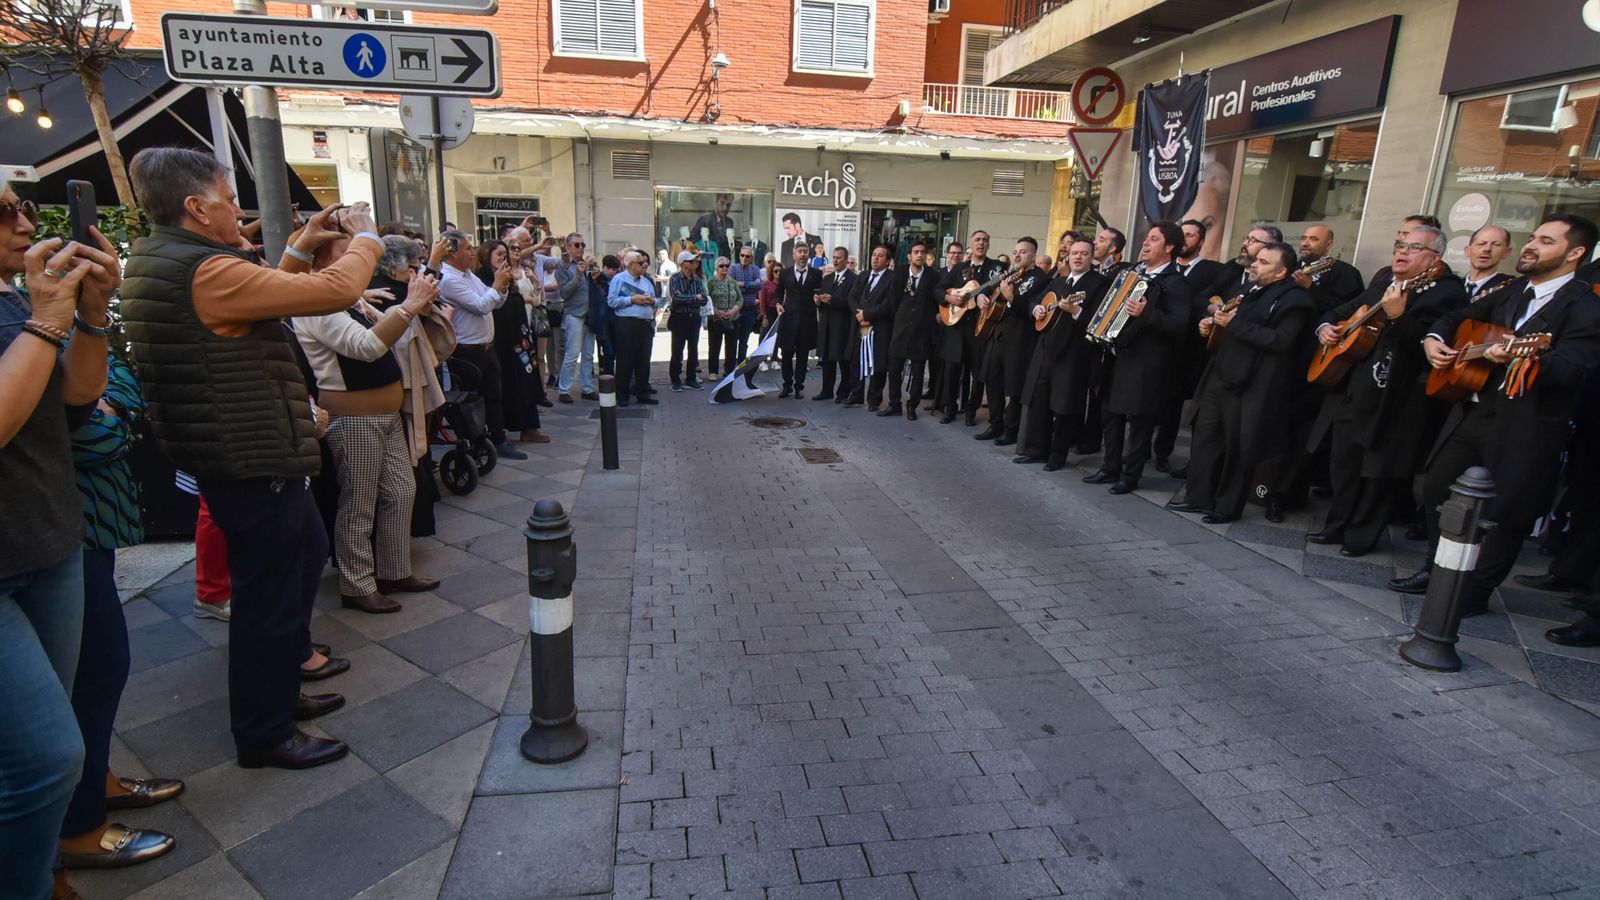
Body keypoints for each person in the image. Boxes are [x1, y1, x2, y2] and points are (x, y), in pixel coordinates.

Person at [120, 147, 372, 771]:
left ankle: (280, 689)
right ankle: (265, 731)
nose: (238, 212)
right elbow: (336, 289)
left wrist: (301, 245)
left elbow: (268, 297)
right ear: (195, 207)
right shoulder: (205, 270)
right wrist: (366, 237)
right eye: (229, 200)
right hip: (248, 451)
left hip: (242, 446)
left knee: (304, 556)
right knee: (268, 596)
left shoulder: (170, 259)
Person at [0, 178, 120, 898]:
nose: (23, 223)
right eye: (3, 213)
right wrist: (49, 321)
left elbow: (76, 397)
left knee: (47, 746)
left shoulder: (17, 299)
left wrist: (92, 316)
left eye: (21, 207)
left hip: (48, 541)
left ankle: (46, 871)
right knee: (45, 757)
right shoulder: (30, 308)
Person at [1393, 215, 1600, 619]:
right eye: (1533, 237)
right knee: (1436, 489)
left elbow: (1574, 369)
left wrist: (1523, 357)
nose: (1531, 245)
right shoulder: (1515, 289)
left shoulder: (1587, 307)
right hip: (1478, 411)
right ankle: (1440, 569)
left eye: (1546, 241)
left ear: (1575, 252)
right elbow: (1455, 318)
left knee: (1508, 513)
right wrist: (1434, 340)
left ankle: (1475, 592)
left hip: (1530, 423)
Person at [58, 356, 183, 876]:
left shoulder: (59, 329)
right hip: (60, 532)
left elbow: (123, 384)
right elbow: (91, 437)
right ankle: (77, 825)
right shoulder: (26, 330)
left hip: (85, 529)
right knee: (95, 667)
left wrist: (113, 408)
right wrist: (112, 415)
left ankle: (94, 785)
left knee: (100, 667)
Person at [1305, 222, 1466, 558]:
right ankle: (1337, 525)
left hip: (1397, 399)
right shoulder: (1384, 284)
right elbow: (1339, 312)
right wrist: (1326, 328)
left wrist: (1398, 317)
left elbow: (1428, 347)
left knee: (1378, 472)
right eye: (1400, 246)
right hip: (1356, 389)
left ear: (1435, 259)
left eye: (1414, 247)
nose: (1403, 252)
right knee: (1343, 464)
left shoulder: (1445, 292)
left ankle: (1361, 536)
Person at [292, 262, 444, 616]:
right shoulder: (316, 304)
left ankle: (393, 570)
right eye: (352, 256)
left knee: (402, 491)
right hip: (354, 418)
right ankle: (357, 585)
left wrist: (411, 304)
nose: (363, 266)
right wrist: (409, 306)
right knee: (359, 502)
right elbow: (366, 346)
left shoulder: (351, 300)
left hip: (384, 414)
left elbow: (385, 328)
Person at [1174, 241, 1313, 523]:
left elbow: (1280, 340)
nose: (1255, 265)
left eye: (1264, 262)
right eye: (1256, 259)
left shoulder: (1295, 300)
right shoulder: (1250, 291)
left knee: (1238, 448)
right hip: (1221, 375)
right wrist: (1210, 328)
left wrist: (1232, 324)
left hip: (1252, 385)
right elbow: (1231, 327)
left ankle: (1226, 507)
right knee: (1205, 439)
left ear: (1281, 272)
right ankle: (1198, 497)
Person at [1083, 221, 1193, 495]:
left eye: (1154, 239)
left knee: (1140, 420)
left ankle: (1130, 475)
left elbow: (1180, 325)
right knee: (1111, 413)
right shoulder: (1132, 273)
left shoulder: (1176, 282)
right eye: (1146, 237)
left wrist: (1147, 314)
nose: (1145, 243)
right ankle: (1110, 467)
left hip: (1146, 361)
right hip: (1117, 355)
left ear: (1169, 247)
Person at [1018, 238, 1109, 470]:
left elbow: (1100, 321)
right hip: (1045, 349)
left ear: (1092, 257)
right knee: (1039, 401)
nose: (1078, 257)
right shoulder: (1059, 281)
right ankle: (1036, 450)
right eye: (1074, 253)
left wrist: (1076, 310)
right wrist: (1036, 309)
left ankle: (1057, 456)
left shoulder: (1100, 284)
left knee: (1064, 405)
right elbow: (1035, 300)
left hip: (1074, 353)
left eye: (1084, 253)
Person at [439, 231, 528, 461]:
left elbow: (494, 302)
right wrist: (497, 284)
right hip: (467, 351)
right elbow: (480, 305)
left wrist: (502, 286)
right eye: (468, 248)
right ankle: (473, 445)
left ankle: (498, 440)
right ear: (453, 253)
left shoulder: (469, 275)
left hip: (486, 347)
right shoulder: (448, 279)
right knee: (470, 402)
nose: (473, 252)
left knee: (494, 397)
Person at [976, 237, 1049, 447]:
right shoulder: (1010, 273)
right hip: (997, 335)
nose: (1017, 255)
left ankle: (1011, 429)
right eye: (1015, 252)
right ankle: (995, 424)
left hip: (1020, 339)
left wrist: (1011, 298)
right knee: (992, 381)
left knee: (1014, 386)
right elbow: (988, 288)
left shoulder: (1040, 278)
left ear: (1033, 255)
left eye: (1023, 252)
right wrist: (982, 297)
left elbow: (1031, 308)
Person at [940, 233, 1006, 426]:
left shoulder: (997, 267)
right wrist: (949, 298)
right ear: (971, 243)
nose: (981, 243)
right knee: (952, 371)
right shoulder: (960, 267)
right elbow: (938, 289)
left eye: (985, 240)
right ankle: (950, 408)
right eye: (977, 240)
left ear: (988, 245)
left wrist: (984, 297)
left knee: (977, 374)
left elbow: (1001, 292)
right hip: (957, 328)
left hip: (981, 328)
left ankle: (970, 411)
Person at [884, 239, 938, 420]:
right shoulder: (900, 273)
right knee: (894, 369)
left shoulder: (933, 276)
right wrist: (901, 317)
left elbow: (934, 302)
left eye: (923, 252)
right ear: (909, 256)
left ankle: (912, 406)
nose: (920, 255)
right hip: (901, 329)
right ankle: (894, 404)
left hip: (921, 332)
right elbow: (893, 300)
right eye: (916, 252)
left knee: (918, 372)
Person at [609, 249, 661, 406]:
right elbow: (611, 301)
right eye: (640, 262)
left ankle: (643, 392)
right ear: (630, 265)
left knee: (643, 360)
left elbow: (657, 300)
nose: (644, 264)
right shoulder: (619, 279)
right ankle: (622, 395)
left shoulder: (646, 281)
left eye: (645, 262)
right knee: (625, 360)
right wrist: (631, 300)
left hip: (645, 324)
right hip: (627, 324)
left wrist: (652, 301)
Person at [554, 232, 599, 403]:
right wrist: (578, 276)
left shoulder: (587, 265)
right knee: (572, 354)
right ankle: (564, 390)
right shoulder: (563, 267)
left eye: (583, 245)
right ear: (568, 247)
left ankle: (587, 388)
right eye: (577, 245)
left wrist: (594, 276)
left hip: (590, 315)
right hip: (574, 314)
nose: (581, 248)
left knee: (588, 355)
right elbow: (564, 293)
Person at [776, 242, 821, 398]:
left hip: (807, 321)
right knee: (786, 353)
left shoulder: (816, 274)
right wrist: (778, 303)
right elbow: (779, 291)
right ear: (794, 255)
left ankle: (799, 387)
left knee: (803, 355)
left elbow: (819, 293)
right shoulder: (785, 273)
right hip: (788, 320)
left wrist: (818, 300)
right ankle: (787, 384)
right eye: (800, 251)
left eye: (805, 251)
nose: (803, 254)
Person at [815, 246, 857, 402]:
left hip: (842, 325)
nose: (835, 260)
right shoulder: (827, 279)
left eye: (839, 258)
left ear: (846, 260)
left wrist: (832, 300)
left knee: (843, 361)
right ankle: (826, 390)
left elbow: (851, 302)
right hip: (827, 325)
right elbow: (822, 301)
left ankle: (843, 392)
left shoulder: (853, 279)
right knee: (827, 360)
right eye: (833, 257)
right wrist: (818, 301)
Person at [667, 250, 707, 391]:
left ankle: (691, 378)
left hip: (694, 317)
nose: (694, 263)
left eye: (694, 261)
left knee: (693, 350)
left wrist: (691, 299)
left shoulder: (697, 279)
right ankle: (675, 379)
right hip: (679, 317)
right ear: (682, 263)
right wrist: (695, 298)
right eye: (690, 261)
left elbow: (704, 299)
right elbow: (676, 298)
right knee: (677, 350)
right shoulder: (675, 278)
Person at [707, 256, 743, 377]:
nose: (724, 268)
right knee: (714, 346)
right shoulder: (711, 282)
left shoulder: (733, 282)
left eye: (727, 266)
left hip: (733, 318)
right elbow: (707, 299)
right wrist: (717, 311)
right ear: (716, 267)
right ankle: (713, 371)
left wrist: (733, 311)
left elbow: (740, 299)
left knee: (732, 346)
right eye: (721, 266)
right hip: (716, 319)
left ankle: (729, 371)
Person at [729, 245, 763, 363]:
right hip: (735, 310)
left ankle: (741, 364)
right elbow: (732, 285)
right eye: (742, 255)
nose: (744, 258)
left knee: (744, 340)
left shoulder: (755, 269)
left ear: (751, 258)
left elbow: (759, 284)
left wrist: (743, 284)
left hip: (749, 310)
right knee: (732, 340)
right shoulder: (733, 268)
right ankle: (730, 365)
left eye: (747, 256)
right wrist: (750, 287)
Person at [1461, 224, 1515, 297]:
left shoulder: (1509, 289)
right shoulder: (1452, 286)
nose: (1487, 249)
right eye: (1481, 244)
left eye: (1496, 244)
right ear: (1468, 251)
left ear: (1506, 252)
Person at [691, 193, 738, 261]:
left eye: (728, 205)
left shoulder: (730, 222)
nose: (725, 208)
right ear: (716, 202)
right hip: (709, 261)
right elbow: (693, 241)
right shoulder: (704, 220)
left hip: (724, 262)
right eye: (722, 203)